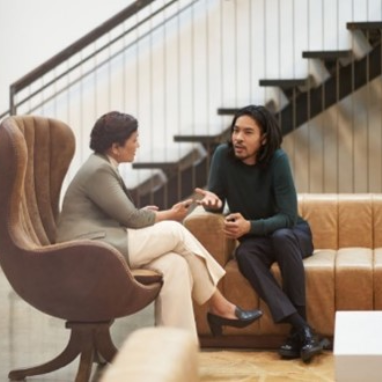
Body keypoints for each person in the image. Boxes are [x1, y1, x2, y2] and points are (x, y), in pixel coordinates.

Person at [56, 111, 262, 344]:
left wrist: (149, 214)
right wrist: (170, 215)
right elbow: (133, 219)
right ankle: (221, 306)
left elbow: (122, 215)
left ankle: (175, 350)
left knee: (176, 265)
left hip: (104, 242)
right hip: (90, 251)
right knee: (175, 230)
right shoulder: (99, 170)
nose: (138, 145)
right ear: (115, 146)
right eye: (134, 140)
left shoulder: (102, 165)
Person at [195, 105, 328, 361]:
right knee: (244, 253)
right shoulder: (223, 155)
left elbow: (288, 218)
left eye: (247, 132)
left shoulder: (278, 159)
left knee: (281, 237)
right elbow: (219, 200)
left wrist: (250, 227)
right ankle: (303, 330)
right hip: (257, 241)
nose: (238, 138)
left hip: (293, 234)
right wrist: (213, 204)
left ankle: (297, 332)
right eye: (235, 131)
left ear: (263, 138)